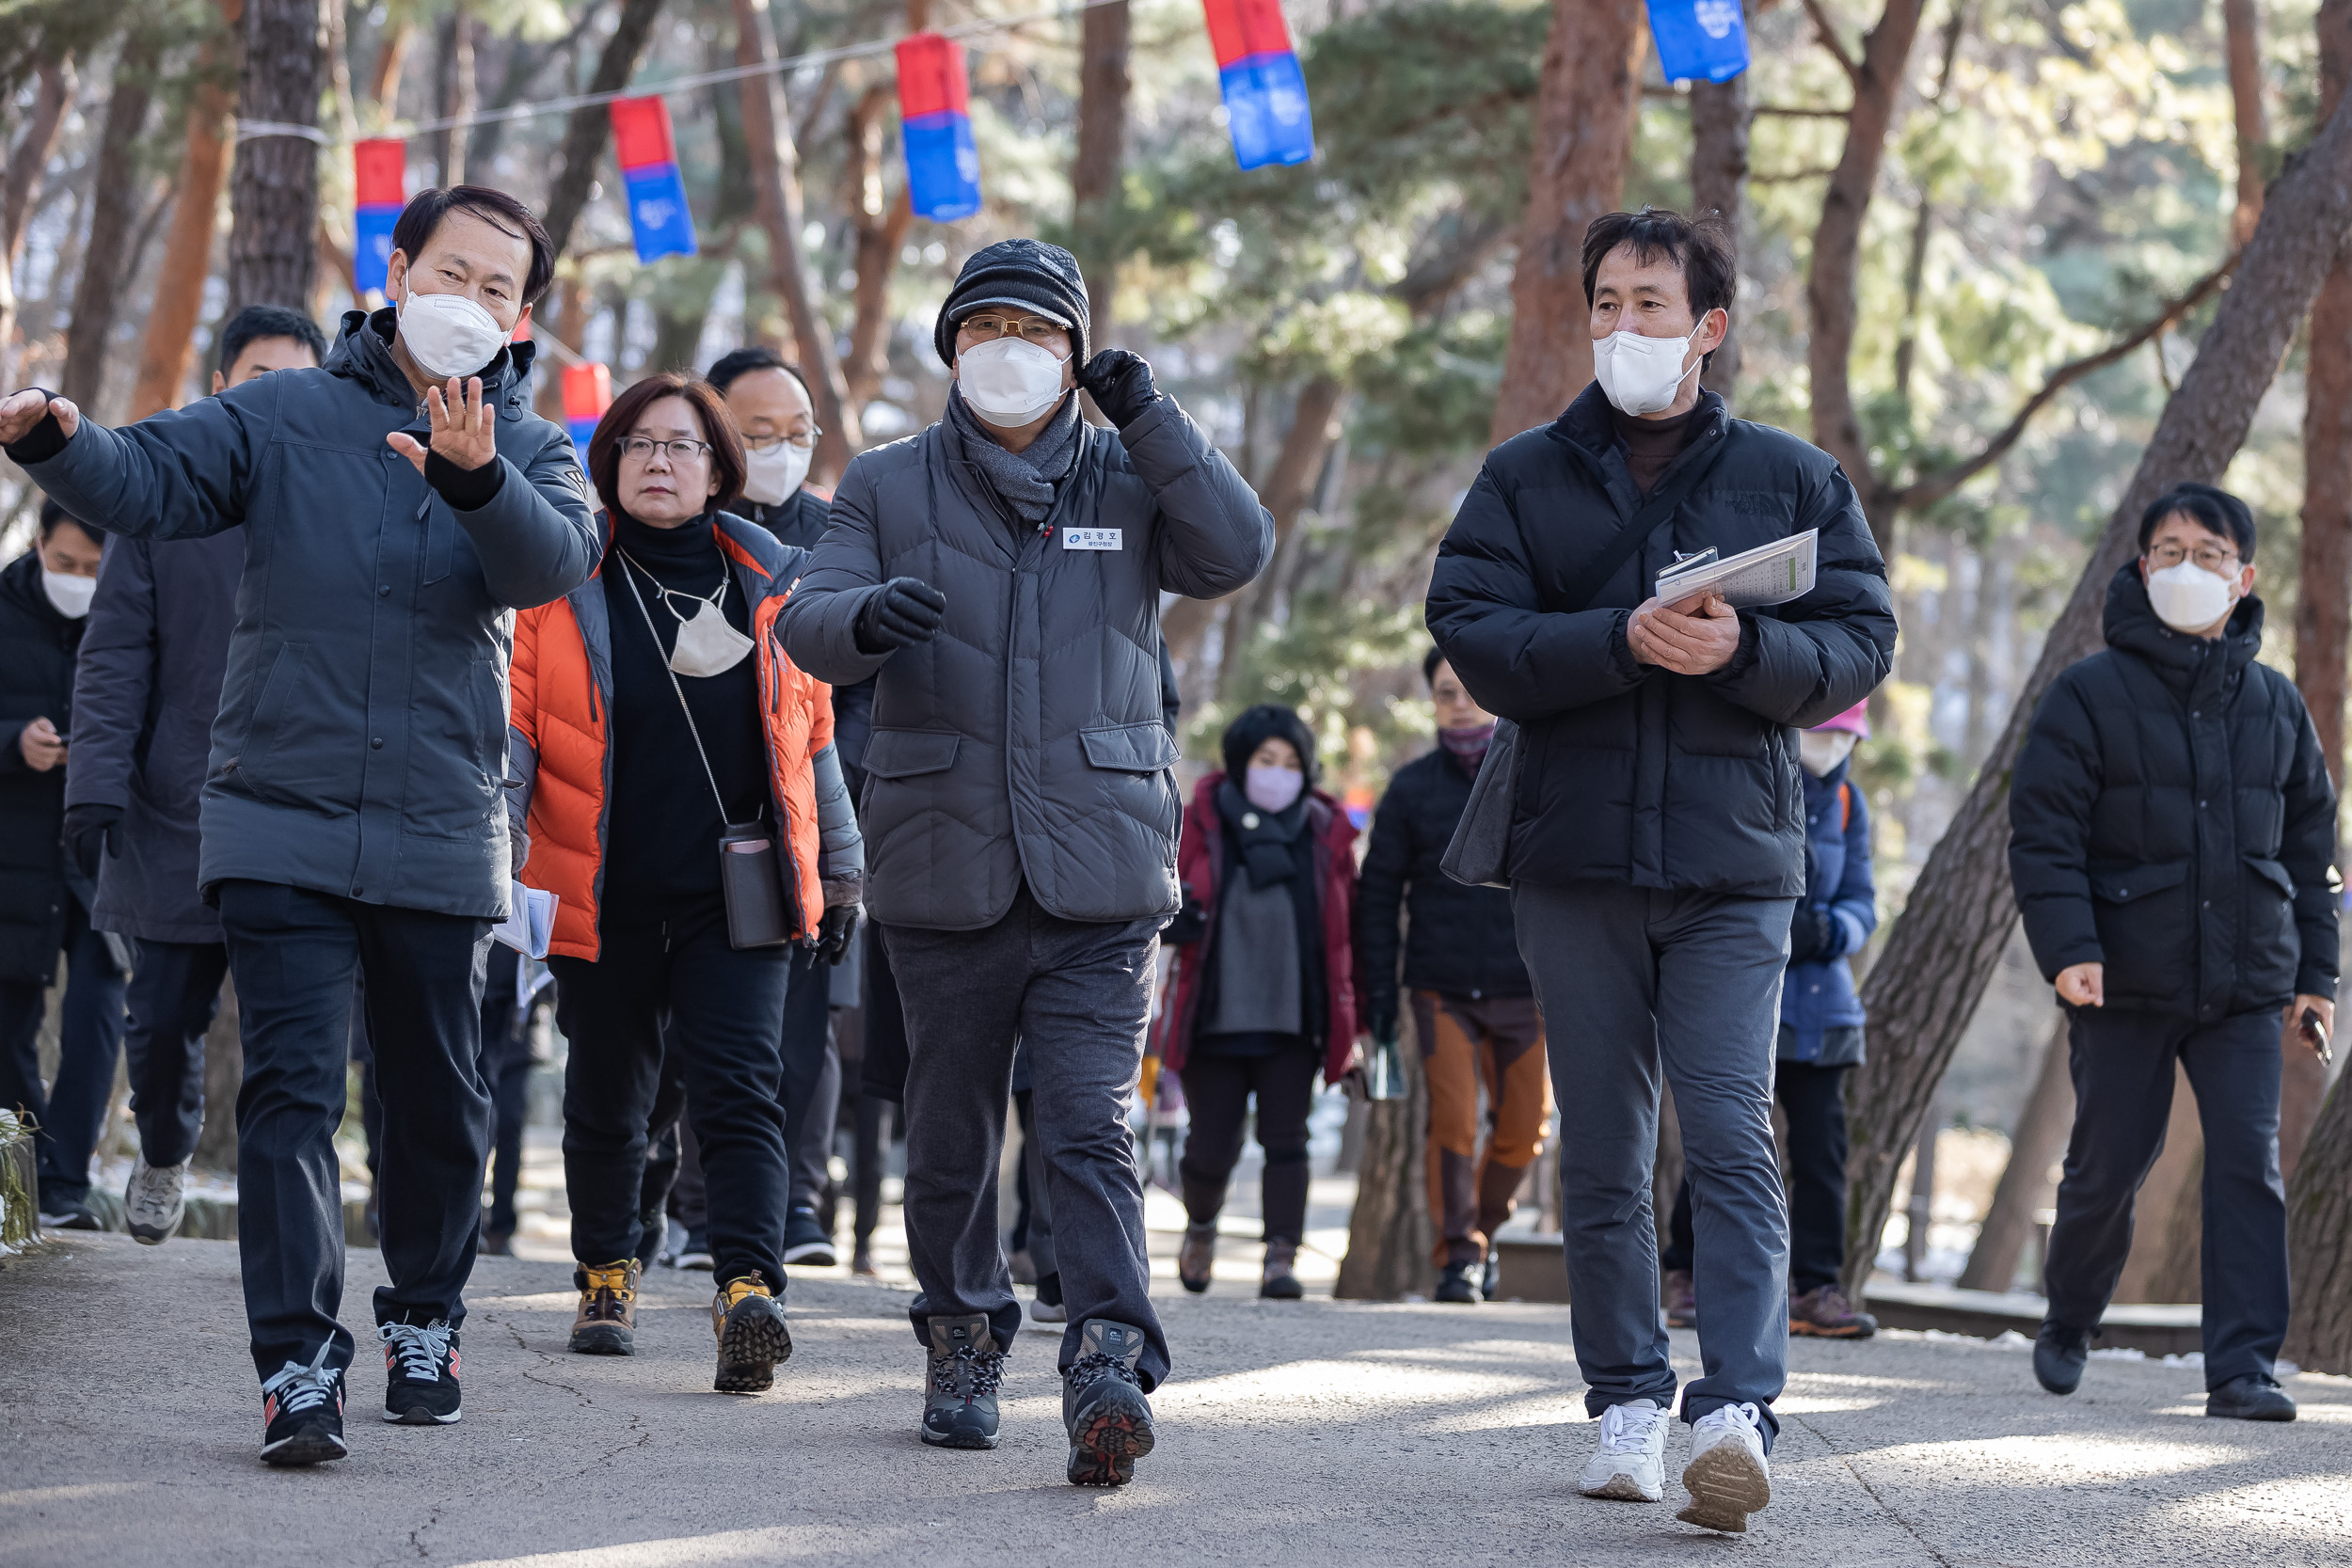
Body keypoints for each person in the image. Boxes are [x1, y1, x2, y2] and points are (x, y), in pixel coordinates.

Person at [0, 184, 599, 1466]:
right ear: (396, 269)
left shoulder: (536, 446)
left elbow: (549, 567)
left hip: (443, 824)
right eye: (454, 272)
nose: (474, 301)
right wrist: (55, 439)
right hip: (280, 814)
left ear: (523, 315)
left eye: (501, 289)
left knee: (438, 1099)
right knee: (288, 1089)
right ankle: (295, 1359)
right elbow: (148, 477)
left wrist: (475, 473)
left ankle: (425, 1316)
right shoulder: (282, 413)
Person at [1424, 207, 1894, 1532]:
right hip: (1572, 856)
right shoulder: (1522, 476)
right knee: (1607, 1146)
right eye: (1607, 302)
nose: (1624, 325)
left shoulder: (1795, 477)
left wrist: (1744, 654)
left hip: (1738, 861)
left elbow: (1863, 637)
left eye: (1651, 302)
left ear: (1709, 326)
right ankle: (1626, 1398)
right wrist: (1619, 641)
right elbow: (1471, 624)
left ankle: (1736, 1408)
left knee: (1734, 1128)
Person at [779, 237, 1271, 1484]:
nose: (1010, 350)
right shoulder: (886, 482)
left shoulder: (1126, 471)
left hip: (1102, 864)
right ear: (952, 346)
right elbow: (808, 614)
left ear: (1076, 353)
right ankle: (960, 1334)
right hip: (943, 855)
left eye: (1038, 331)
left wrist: (1152, 414)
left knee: (1091, 1123)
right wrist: (866, 621)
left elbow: (1232, 549)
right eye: (986, 327)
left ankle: (1109, 1350)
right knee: (948, 1128)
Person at [505, 371, 862, 1391]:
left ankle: (748, 1286)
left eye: (684, 445)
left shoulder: (773, 578)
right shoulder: (560, 580)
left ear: (718, 469)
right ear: (611, 462)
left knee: (743, 1088)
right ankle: (606, 1271)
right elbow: (517, 736)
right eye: (641, 444)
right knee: (607, 1095)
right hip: (600, 880)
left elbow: (814, 739)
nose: (661, 461)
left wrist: (842, 872)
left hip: (737, 891)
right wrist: (495, 859)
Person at [2010, 483, 2336, 1423]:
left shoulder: (2276, 705)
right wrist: (2068, 945)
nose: (2185, 567)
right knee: (2108, 1165)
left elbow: (2314, 852)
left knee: (2247, 1164)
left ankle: (2241, 1367)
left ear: (2243, 577)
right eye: (2168, 549)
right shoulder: (2088, 692)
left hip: (2244, 982)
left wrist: (2317, 976)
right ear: (2139, 564)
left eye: (2207, 552)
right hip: (2121, 979)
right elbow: (2043, 833)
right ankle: (2070, 1315)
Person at [61, 305, 328, 1246]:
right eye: (257, 376)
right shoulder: (166, 503)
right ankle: (167, 1144)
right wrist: (95, 784)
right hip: (177, 809)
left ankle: (287, 1200)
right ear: (220, 387)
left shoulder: (339, 498)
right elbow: (115, 653)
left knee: (293, 1033)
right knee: (161, 1021)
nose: (273, 399)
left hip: (302, 818)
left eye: (293, 381)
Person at [1659, 704, 1880, 1338]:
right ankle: (1689, 1271)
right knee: (1726, 1134)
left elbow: (1863, 899)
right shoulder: (1755, 775)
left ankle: (1817, 1285)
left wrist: (1833, 928)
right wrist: (1781, 923)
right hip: (1749, 993)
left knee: (1822, 1155)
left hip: (1824, 1007)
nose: (1832, 744)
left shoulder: (1848, 805)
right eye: (1823, 730)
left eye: (1845, 735)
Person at [712, 344, 853, 1268]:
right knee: (700, 1021)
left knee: (807, 1020)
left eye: (795, 432)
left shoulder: (838, 535)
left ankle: (798, 1200)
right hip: (699, 806)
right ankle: (687, 1203)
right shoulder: (681, 525)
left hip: (809, 806)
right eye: (756, 432)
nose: (780, 448)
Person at [1353, 650, 1548, 1306]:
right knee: (1454, 1126)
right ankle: (1458, 1257)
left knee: (1524, 1132)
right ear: (1431, 703)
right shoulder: (1410, 789)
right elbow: (1376, 899)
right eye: (1445, 693)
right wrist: (1378, 998)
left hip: (1529, 987)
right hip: (1441, 991)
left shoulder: (1536, 771)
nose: (1460, 702)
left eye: (1470, 690)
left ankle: (1482, 1232)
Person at [1155, 705, 1359, 1301]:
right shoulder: (1200, 821)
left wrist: (1357, 1020)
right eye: (1266, 760)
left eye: (1291, 762)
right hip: (1214, 1010)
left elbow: (1347, 930)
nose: (1278, 773)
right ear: (1241, 762)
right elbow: (1162, 891)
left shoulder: (1325, 829)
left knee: (1286, 1137)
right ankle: (1200, 1226)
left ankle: (1280, 1258)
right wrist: (1178, 918)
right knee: (1210, 1145)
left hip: (1296, 1015)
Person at [0, 499, 117, 1228]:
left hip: (101, 845)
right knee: (10, 1016)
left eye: (94, 571)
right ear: (39, 542)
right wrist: (15, 741)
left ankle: (68, 1176)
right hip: (14, 849)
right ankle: (31, 1169)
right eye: (65, 563)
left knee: (99, 1010)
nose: (77, 580)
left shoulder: (130, 615)